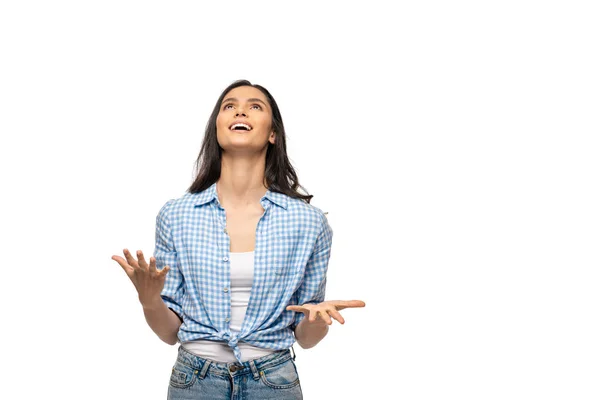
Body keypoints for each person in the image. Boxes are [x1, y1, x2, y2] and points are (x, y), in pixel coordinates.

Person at [112, 79, 365, 399]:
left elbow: (306, 337)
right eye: (229, 105)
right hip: (195, 380)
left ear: (273, 134)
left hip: (273, 380)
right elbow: (169, 333)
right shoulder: (176, 215)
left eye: (254, 106)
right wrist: (149, 299)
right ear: (216, 128)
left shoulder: (308, 222)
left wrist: (318, 322)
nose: (240, 110)